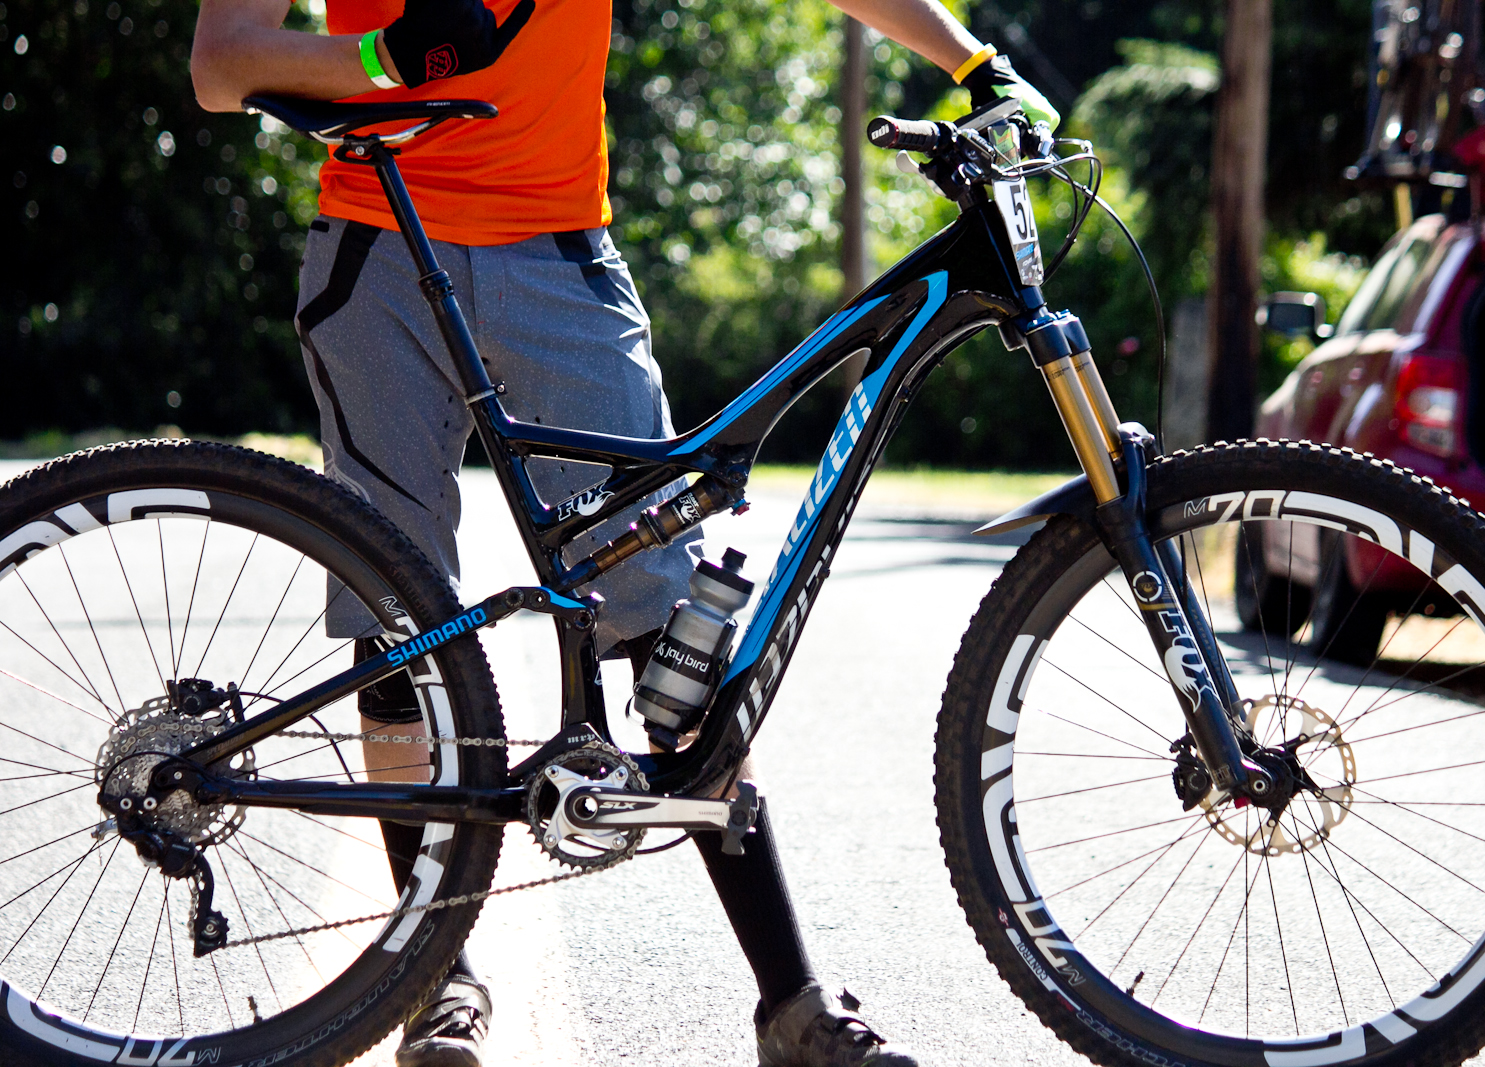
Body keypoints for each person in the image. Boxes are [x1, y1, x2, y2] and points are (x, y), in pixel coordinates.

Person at [189, 3, 1058, 1065]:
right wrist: (381, 56)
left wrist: (970, 60)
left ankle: (790, 1003)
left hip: (559, 255)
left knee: (668, 621)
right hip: (377, 247)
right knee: (398, 623)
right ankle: (434, 979)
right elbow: (221, 65)